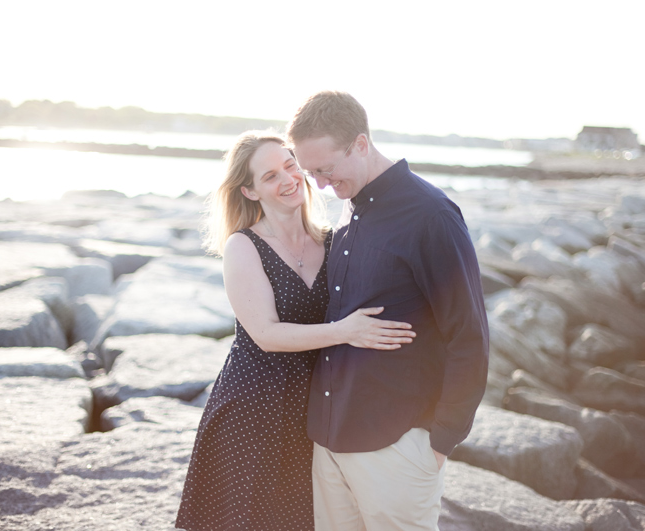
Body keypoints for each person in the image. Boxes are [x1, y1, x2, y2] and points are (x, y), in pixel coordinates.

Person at [175, 131, 415, 531]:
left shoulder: (334, 239)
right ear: (250, 192)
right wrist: (345, 332)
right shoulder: (243, 246)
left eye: (290, 166)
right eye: (270, 176)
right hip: (253, 408)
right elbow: (266, 334)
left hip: (316, 411)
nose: (287, 179)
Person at [287, 91, 490, 530]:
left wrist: (439, 443)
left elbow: (469, 335)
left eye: (325, 169)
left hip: (396, 447)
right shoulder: (348, 210)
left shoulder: (431, 216)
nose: (319, 184)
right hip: (329, 439)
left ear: (360, 144)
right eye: (310, 173)